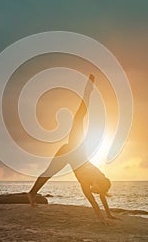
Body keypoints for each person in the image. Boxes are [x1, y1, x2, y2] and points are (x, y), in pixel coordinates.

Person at [27, 74, 116, 225]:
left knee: (49, 173)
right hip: (77, 148)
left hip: (68, 153)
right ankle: (88, 90)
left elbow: (98, 199)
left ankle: (31, 193)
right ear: (100, 183)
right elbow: (96, 200)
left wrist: (107, 215)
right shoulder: (96, 178)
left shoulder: (90, 183)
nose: (95, 192)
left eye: (98, 191)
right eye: (98, 189)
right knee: (79, 118)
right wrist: (104, 218)